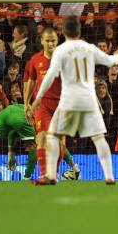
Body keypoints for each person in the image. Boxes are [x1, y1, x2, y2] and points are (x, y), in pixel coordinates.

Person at [32, 16, 118, 185]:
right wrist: (117, 55)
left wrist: (38, 97)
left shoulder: (60, 50)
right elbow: (110, 61)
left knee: (52, 136)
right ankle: (109, 176)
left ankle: (50, 174)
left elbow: (51, 75)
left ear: (64, 32)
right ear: (79, 31)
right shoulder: (89, 48)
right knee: (98, 138)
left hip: (68, 100)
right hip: (89, 99)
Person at [23, 28, 77, 180]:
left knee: (59, 140)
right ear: (42, 41)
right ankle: (44, 174)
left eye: (53, 40)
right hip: (43, 104)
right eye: (47, 40)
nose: (50, 43)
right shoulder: (35, 60)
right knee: (41, 138)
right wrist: (26, 103)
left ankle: (54, 172)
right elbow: (31, 82)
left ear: (57, 41)